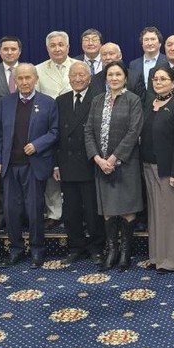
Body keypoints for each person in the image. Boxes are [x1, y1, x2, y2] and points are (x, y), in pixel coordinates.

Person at [0, 64, 59, 268]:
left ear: (36, 79)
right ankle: (16, 249)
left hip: (34, 165)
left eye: (28, 78)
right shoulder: (5, 102)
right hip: (10, 165)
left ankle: (37, 250)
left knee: (34, 210)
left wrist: (37, 145)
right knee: (11, 210)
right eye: (20, 78)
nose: (24, 82)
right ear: (15, 81)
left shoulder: (48, 103)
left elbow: (54, 131)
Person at [85, 61, 144, 271]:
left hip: (126, 164)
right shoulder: (97, 100)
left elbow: (134, 131)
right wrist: (98, 159)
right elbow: (88, 131)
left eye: (118, 74)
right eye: (110, 75)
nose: (114, 78)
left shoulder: (133, 100)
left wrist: (114, 158)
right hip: (101, 165)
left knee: (127, 209)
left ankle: (125, 252)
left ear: (125, 78)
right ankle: (112, 251)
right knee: (109, 210)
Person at [141, 64, 174, 273]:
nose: (158, 82)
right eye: (155, 79)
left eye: (163, 79)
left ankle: (171, 261)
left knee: (170, 215)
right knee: (155, 214)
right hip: (148, 166)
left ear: (173, 83)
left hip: (168, 170)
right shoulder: (150, 103)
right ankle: (156, 257)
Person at [55, 62, 105, 266]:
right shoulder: (61, 100)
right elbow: (57, 134)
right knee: (71, 210)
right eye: (73, 75)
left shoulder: (99, 99)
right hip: (66, 163)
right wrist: (56, 165)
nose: (77, 79)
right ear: (68, 78)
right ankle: (75, 247)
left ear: (89, 78)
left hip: (90, 162)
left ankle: (97, 247)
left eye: (82, 75)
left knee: (93, 210)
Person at [36, 31, 77, 231]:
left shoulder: (79, 66)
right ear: (47, 49)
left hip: (75, 125)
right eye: (53, 45)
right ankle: (54, 213)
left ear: (68, 47)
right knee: (51, 170)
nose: (57, 48)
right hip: (49, 126)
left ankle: (75, 211)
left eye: (61, 45)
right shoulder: (38, 69)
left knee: (73, 170)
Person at [128, 27, 168, 98]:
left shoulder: (168, 61)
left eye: (153, 39)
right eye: (146, 40)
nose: (149, 43)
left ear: (160, 43)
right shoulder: (133, 64)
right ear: (142, 44)